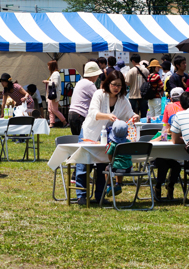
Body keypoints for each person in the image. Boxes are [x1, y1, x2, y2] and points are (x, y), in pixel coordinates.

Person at [78, 70, 138, 205]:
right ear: (108, 83)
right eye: (114, 84)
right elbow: (93, 112)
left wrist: (135, 117)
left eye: (120, 85)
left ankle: (100, 196)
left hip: (107, 138)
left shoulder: (123, 99)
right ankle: (81, 195)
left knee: (102, 166)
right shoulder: (99, 94)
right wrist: (107, 116)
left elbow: (130, 113)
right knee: (83, 165)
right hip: (90, 133)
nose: (116, 88)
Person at [68, 62, 100, 135]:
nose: (98, 76)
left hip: (72, 113)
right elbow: (97, 99)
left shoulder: (80, 82)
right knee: (83, 139)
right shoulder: (90, 84)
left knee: (76, 138)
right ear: (93, 74)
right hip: (80, 115)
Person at [44, 61, 67, 127]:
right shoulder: (53, 73)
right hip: (51, 94)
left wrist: (47, 81)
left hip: (54, 94)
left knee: (54, 110)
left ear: (52, 66)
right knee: (50, 109)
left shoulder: (56, 73)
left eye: (49, 66)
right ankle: (51, 123)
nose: (48, 67)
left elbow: (56, 83)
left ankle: (64, 121)